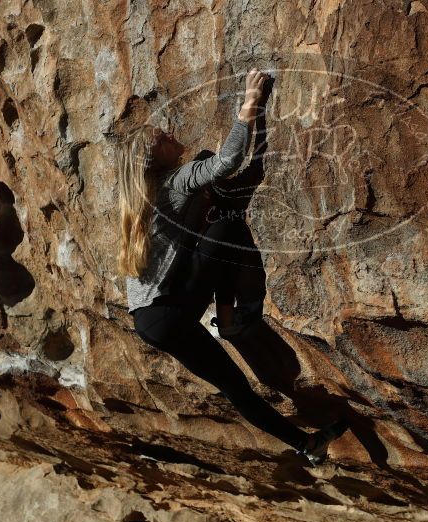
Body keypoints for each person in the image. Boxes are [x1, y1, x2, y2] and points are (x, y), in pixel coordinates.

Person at [115, 68, 345, 465]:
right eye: (162, 138)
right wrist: (251, 104)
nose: (171, 135)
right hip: (172, 310)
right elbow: (228, 161)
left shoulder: (143, 198)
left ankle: (306, 445)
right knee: (228, 223)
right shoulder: (174, 182)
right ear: (156, 157)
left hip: (151, 321)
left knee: (236, 387)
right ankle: (235, 318)